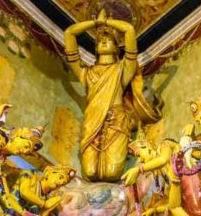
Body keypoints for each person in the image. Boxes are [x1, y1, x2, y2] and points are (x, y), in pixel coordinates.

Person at [65, 11, 161, 182]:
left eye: (108, 39)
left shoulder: (122, 70)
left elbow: (129, 30)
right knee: (90, 171)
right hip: (92, 122)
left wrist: (108, 22)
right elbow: (69, 34)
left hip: (116, 122)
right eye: (100, 40)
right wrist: (95, 24)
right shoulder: (87, 73)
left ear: (117, 47)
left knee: (112, 173)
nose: (103, 40)